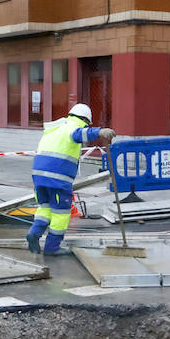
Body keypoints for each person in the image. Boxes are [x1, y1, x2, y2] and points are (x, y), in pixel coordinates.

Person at [26, 103, 115, 256]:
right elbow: (81, 134)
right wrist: (100, 131)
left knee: (45, 208)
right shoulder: (74, 128)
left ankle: (34, 233)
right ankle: (52, 248)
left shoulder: (57, 128)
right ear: (85, 120)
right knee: (61, 213)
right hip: (58, 179)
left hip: (39, 177)